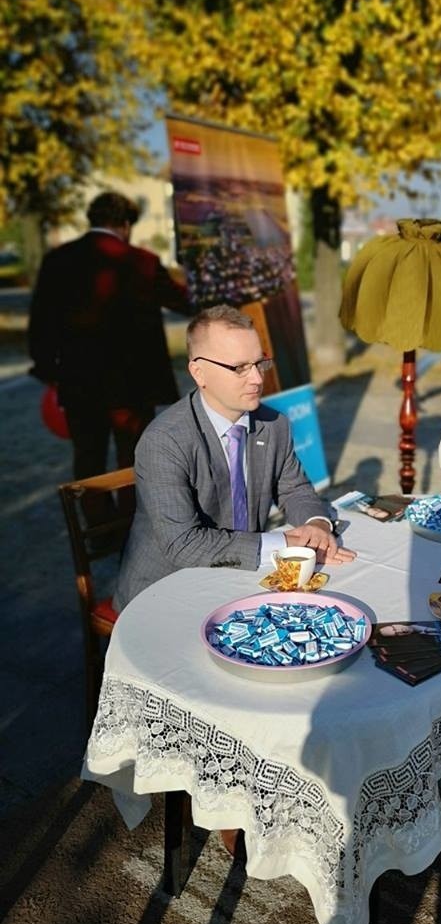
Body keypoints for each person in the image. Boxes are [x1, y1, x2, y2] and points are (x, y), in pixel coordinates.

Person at [114, 305, 356, 610]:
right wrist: (285, 544)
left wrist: (317, 527)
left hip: (240, 578)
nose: (257, 378)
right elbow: (183, 545)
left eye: (259, 363)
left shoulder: (273, 425)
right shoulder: (165, 441)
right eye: (239, 367)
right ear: (198, 372)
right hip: (166, 593)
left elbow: (295, 490)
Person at [28, 191, 195, 483]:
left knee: (87, 461)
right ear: (126, 225)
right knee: (132, 464)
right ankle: (130, 527)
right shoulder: (142, 262)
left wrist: (49, 371)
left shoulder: (57, 260)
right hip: (132, 386)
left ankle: (96, 528)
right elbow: (186, 302)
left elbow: (41, 323)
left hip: (78, 383)